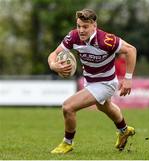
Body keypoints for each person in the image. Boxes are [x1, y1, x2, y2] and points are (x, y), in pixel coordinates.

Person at [48, 8, 137, 154]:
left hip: (106, 83)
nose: (81, 30)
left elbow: (131, 50)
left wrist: (128, 79)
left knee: (68, 107)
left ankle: (67, 143)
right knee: (105, 107)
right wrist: (53, 64)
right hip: (90, 81)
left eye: (85, 27)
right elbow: (54, 53)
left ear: (94, 25)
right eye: (78, 26)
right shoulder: (73, 37)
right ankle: (124, 130)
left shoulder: (106, 40)